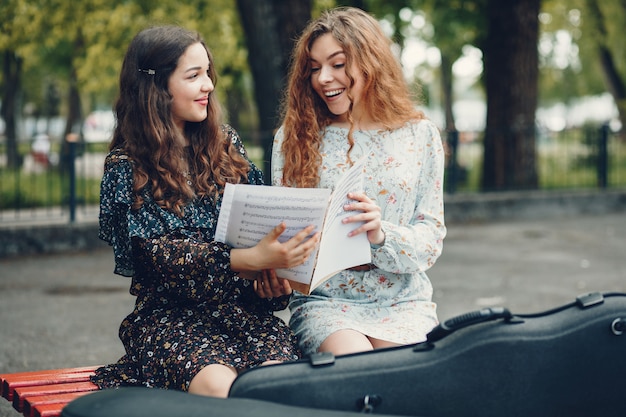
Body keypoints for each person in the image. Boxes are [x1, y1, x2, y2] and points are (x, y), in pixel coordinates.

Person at [91, 25, 320, 398]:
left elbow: (258, 221)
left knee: (278, 385)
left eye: (207, 73)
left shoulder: (225, 143)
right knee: (220, 388)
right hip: (170, 320)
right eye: (194, 75)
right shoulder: (127, 165)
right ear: (156, 86)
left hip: (242, 316)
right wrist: (244, 258)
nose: (209, 85)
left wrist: (272, 275)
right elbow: (160, 255)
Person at [272, 7, 447, 357]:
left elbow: (430, 236)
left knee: (409, 376)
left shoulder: (420, 134)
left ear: (371, 62)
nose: (323, 78)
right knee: (358, 368)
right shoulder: (294, 137)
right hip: (327, 303)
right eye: (314, 68)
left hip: (404, 301)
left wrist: (381, 234)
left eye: (337, 64)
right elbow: (285, 233)